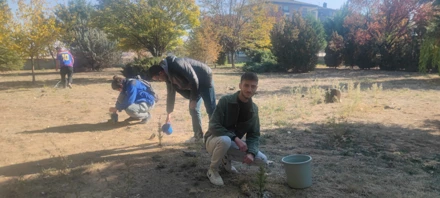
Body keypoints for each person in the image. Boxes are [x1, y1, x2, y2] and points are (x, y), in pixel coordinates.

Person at [204, 72, 269, 186]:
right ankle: (212, 170)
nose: (249, 90)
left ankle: (225, 158)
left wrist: (251, 153)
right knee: (225, 140)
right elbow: (213, 125)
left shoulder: (253, 109)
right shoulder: (226, 101)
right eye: (246, 85)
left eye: (253, 86)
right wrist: (235, 138)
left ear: (256, 88)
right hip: (213, 140)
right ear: (240, 86)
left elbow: (254, 135)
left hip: (231, 142)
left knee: (262, 160)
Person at [148, 56, 216, 140]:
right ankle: (198, 136)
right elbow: (170, 94)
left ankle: (214, 135)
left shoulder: (177, 64)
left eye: (158, 78)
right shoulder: (167, 76)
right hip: (194, 85)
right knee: (193, 109)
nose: (159, 80)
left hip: (203, 78)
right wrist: (169, 114)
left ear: (161, 72)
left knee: (211, 108)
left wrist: (194, 99)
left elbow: (193, 78)